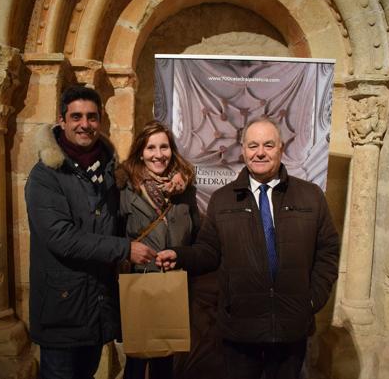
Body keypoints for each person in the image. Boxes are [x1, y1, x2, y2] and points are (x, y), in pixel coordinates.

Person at [156, 117, 339, 379]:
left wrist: (311, 300)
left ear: (281, 148)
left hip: (291, 326)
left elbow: (328, 251)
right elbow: (208, 251)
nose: (260, 152)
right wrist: (180, 255)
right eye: (253, 146)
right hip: (240, 329)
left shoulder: (310, 196)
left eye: (268, 145)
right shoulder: (223, 199)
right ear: (243, 150)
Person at [25, 86, 156, 379]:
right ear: (62, 120)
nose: (85, 124)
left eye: (92, 117)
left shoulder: (109, 170)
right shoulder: (45, 176)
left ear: (101, 120)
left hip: (97, 307)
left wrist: (171, 184)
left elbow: (131, 203)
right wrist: (125, 249)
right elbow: (61, 237)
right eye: (77, 116)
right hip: (62, 309)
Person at [117, 121, 200, 379]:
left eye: (164, 147)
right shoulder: (124, 188)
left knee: (166, 361)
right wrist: (128, 250)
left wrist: (179, 255)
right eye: (151, 147)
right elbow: (113, 234)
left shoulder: (184, 190)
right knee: (137, 361)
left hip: (173, 284)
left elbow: (195, 232)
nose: (158, 154)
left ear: (171, 151)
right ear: (141, 152)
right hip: (139, 282)